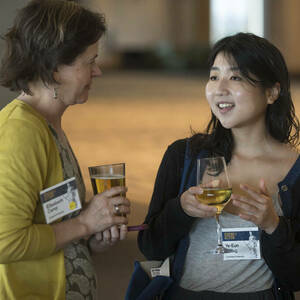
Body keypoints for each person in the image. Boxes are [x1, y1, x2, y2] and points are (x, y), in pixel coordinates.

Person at [137, 33, 300, 300]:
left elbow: (294, 278)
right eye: (214, 77)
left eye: (235, 77)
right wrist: (182, 209)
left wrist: (273, 225)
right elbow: (151, 247)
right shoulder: (184, 157)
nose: (219, 88)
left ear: (272, 92)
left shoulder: (295, 171)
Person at [0, 1, 130, 299]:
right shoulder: (20, 132)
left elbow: (51, 225)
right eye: (89, 61)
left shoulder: (48, 125)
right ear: (56, 68)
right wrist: (85, 222)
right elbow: (5, 241)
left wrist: (93, 232)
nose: (97, 72)